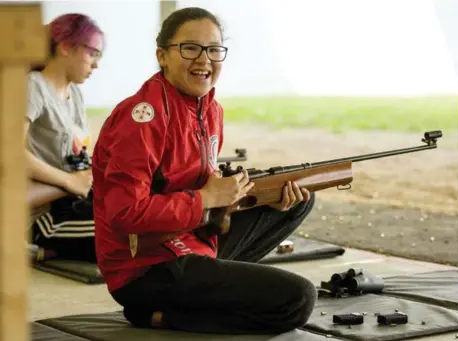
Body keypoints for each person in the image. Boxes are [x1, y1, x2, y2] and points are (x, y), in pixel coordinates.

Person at [92, 7, 318, 335]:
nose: (204, 60)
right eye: (190, 48)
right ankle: (155, 315)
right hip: (145, 269)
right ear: (162, 56)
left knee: (295, 199)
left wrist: (245, 198)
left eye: (213, 49)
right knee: (297, 299)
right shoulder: (141, 117)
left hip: (193, 239)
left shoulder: (211, 109)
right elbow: (125, 213)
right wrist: (205, 198)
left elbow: (203, 195)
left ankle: (211, 284)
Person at [26, 13, 104, 262]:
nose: (96, 65)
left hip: (74, 202)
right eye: (93, 53)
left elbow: (77, 159)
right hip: (47, 216)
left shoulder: (76, 95)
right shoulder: (33, 86)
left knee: (140, 217)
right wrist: (70, 182)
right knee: (121, 233)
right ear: (66, 47)